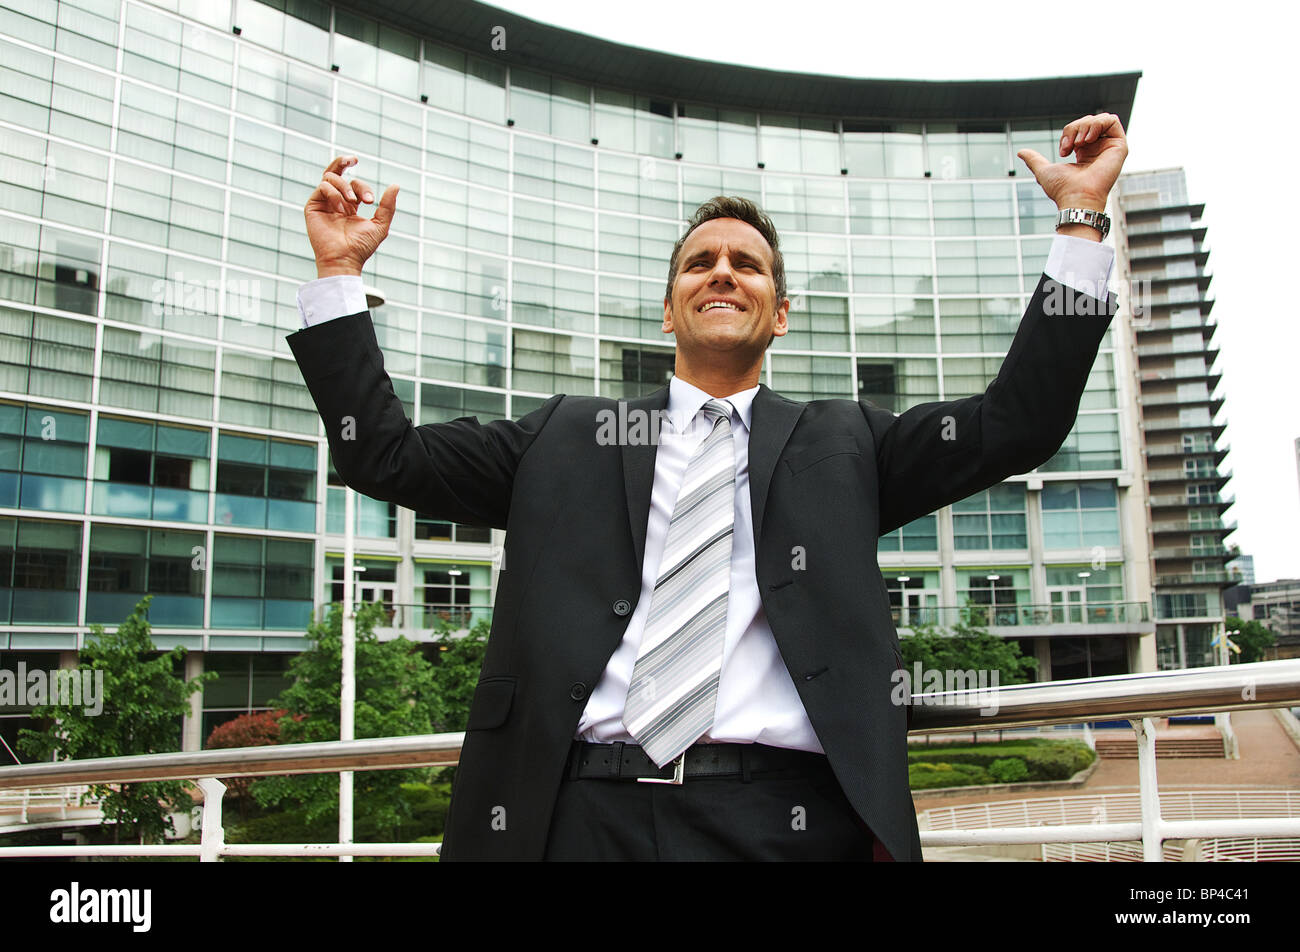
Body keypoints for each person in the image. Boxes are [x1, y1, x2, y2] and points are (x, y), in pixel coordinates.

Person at [288, 113, 1128, 861]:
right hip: (572, 816)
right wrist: (337, 272)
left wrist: (1081, 219)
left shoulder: (849, 442)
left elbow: (1017, 424)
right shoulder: (564, 435)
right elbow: (381, 456)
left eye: (747, 265)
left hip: (783, 820)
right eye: (700, 263)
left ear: (781, 312)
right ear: (668, 308)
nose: (722, 273)